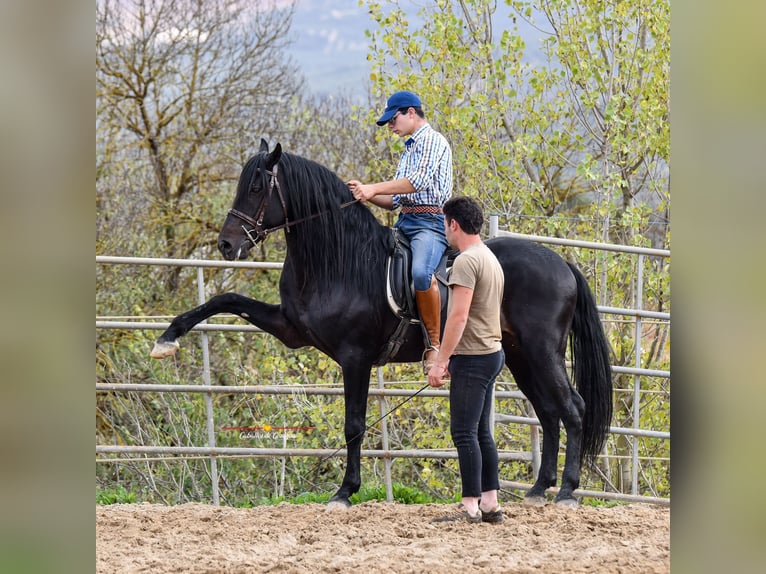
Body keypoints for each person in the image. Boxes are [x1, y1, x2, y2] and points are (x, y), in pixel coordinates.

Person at [347, 90, 452, 370]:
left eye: (393, 120)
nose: (391, 127)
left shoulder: (432, 141)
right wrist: (365, 194)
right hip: (405, 221)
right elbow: (394, 200)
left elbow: (417, 182)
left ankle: (434, 344)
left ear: (410, 113)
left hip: (429, 224)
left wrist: (374, 187)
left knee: (421, 273)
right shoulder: (410, 149)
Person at [427, 196, 506, 524]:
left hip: (473, 357)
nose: (445, 230)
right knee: (481, 432)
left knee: (463, 432)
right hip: (492, 353)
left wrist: (440, 360)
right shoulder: (489, 257)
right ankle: (490, 503)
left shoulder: (465, 262)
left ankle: (470, 505)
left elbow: (457, 317)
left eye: (445, 224)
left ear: (453, 224)